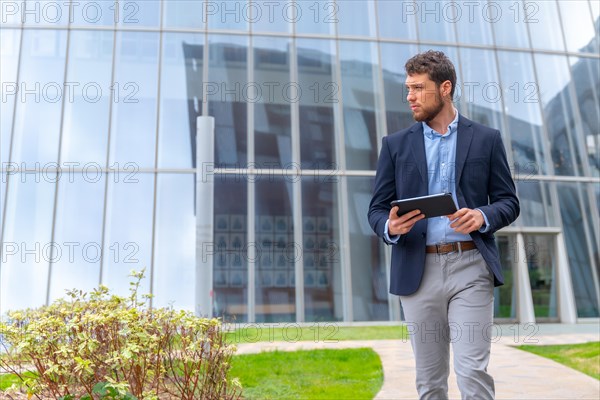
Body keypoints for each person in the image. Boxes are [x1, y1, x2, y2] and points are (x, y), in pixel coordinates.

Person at [368, 50, 519, 400]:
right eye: (408, 88)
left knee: (472, 372)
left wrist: (482, 216)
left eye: (418, 88)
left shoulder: (486, 139)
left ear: (445, 88)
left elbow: (509, 202)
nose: (410, 97)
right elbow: (376, 210)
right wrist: (391, 226)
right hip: (417, 272)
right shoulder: (395, 145)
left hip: (470, 267)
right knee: (430, 381)